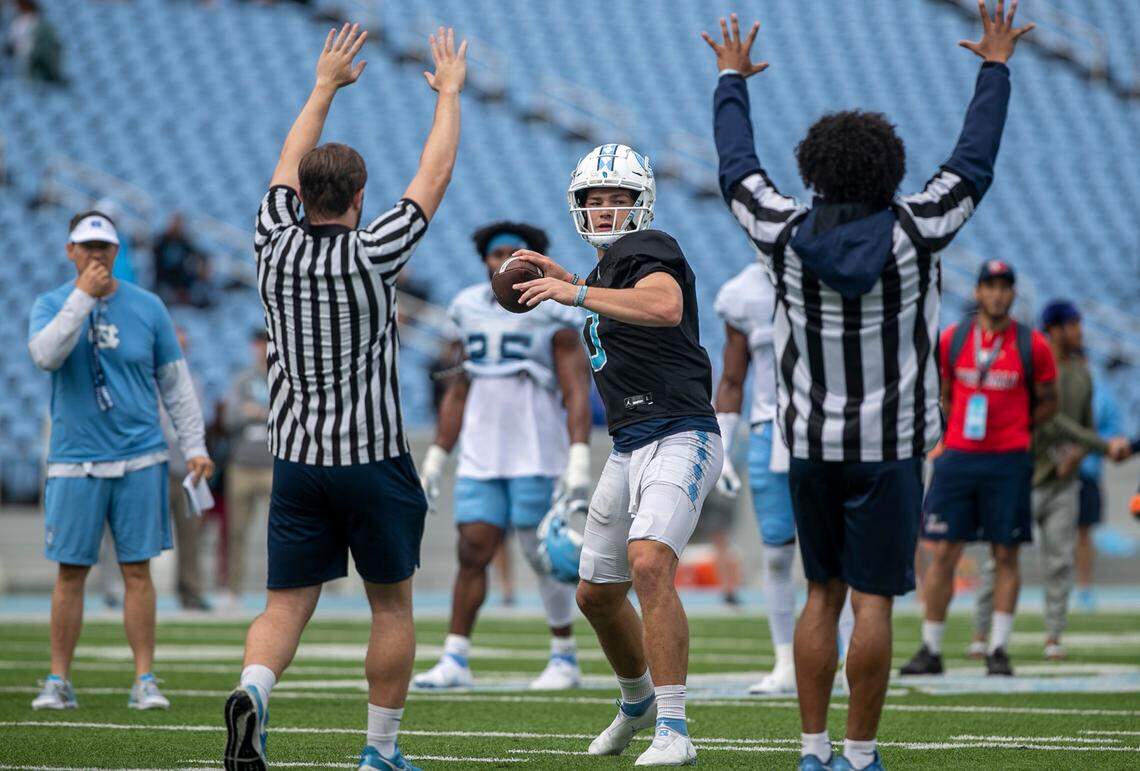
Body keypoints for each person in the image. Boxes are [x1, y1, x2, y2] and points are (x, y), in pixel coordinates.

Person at [706, 4, 1033, 768]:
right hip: (890, 449)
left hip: (809, 443)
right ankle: (859, 754)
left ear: (813, 171)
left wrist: (731, 78)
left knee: (820, 591)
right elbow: (974, 162)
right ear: (891, 169)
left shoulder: (781, 233)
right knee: (873, 600)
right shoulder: (920, 228)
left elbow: (736, 169)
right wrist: (995, 66)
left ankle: (813, 750)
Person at [223, 23, 465, 771]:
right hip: (373, 458)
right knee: (390, 604)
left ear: (300, 193)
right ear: (360, 196)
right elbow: (434, 174)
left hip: (294, 458)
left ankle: (255, 690)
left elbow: (281, 170)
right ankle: (380, 751)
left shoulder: (271, 237)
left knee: (285, 603)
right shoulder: (373, 251)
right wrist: (449, 94)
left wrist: (324, 85)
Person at [512, 143, 723, 767]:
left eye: (617, 199)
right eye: (594, 200)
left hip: (681, 430)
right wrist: (577, 282)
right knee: (595, 594)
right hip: (631, 442)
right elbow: (617, 300)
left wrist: (572, 293)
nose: (604, 210)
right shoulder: (608, 271)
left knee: (650, 562)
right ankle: (638, 704)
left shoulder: (648, 246)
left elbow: (663, 305)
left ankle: (675, 728)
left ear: (641, 203)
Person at [27, 210, 214, 711]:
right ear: (70, 251)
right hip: (75, 459)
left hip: (140, 457)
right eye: (87, 246)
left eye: (104, 247)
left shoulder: (149, 307)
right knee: (71, 572)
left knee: (138, 571)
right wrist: (82, 298)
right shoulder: (50, 304)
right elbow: (45, 355)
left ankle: (145, 679)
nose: (96, 255)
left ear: (117, 251)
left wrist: (194, 446)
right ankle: (59, 680)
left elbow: (175, 384)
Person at [414, 221, 591, 691]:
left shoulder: (555, 310)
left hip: (536, 447)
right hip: (480, 450)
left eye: (517, 253)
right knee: (472, 548)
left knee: (542, 554)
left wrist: (578, 455)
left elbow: (576, 389)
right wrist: (437, 455)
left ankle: (564, 655)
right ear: (485, 261)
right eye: (498, 254)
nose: (506, 261)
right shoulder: (466, 307)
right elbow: (457, 387)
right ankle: (455, 657)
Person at [899, 260, 1057, 679]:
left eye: (1005, 286)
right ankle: (931, 648)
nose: (997, 293)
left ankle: (998, 648)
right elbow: (945, 392)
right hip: (959, 458)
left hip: (1008, 459)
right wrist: (956, 431)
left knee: (1005, 553)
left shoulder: (1032, 344)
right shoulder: (954, 339)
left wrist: (1018, 427)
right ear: (977, 291)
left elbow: (1048, 399)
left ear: (1013, 293)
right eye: (990, 285)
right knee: (943, 551)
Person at [713, 263, 855, 694]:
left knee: (835, 554)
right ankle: (786, 663)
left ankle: (848, 659)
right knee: (776, 554)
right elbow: (733, 377)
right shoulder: (742, 291)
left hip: (826, 429)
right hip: (767, 430)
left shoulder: (829, 276)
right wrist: (721, 447)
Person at [971, 300, 1131, 661]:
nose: (1079, 332)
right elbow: (1049, 419)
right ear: (1054, 329)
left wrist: (1078, 452)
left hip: (1062, 483)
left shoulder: (1081, 372)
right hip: (1020, 477)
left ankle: (1053, 636)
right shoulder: (1030, 365)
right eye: (1073, 326)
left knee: (1060, 561)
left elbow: (1083, 423)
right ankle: (981, 633)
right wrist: (1103, 446)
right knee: (997, 558)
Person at [221, 329, 274, 611]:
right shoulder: (243, 379)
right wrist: (250, 413)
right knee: (237, 532)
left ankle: (281, 590)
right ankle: (233, 589)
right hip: (242, 465)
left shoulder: (285, 375)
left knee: (282, 532)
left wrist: (262, 412)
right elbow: (230, 418)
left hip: (274, 466)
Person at [161, 325, 213, 611]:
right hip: (156, 468)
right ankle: (134, 592)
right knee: (140, 535)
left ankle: (191, 591)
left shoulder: (195, 382)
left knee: (191, 535)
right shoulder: (148, 378)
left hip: (187, 470)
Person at [1074, 375, 1123, 611]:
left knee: (1084, 533)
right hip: (1052, 472)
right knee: (1055, 533)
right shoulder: (1050, 383)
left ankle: (1084, 589)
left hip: (1086, 472)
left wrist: (1084, 449)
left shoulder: (1100, 391)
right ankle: (1058, 584)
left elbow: (1112, 430)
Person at [153, 212, 212, 307]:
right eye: (175, 224)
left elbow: (199, 256)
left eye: (179, 224)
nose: (177, 227)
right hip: (164, 281)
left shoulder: (185, 243)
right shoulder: (161, 241)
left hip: (182, 282)